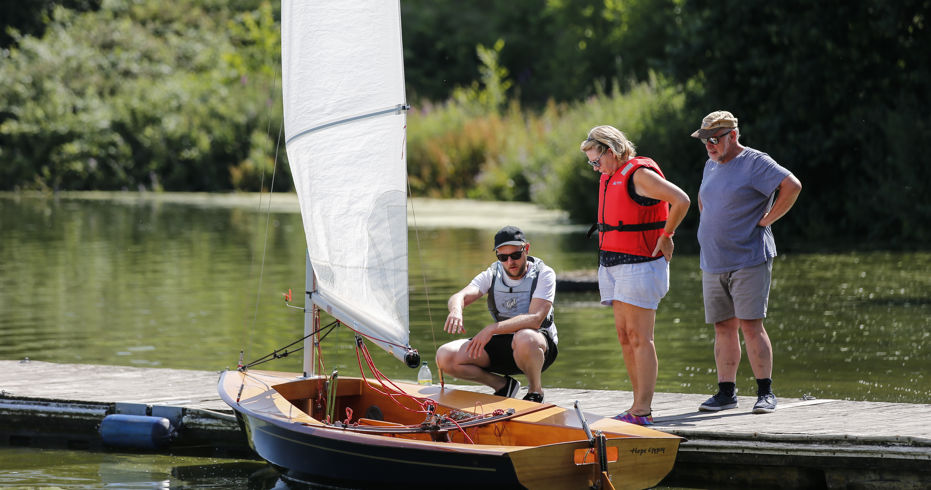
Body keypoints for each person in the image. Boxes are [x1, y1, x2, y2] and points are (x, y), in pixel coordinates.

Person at [692, 110, 802, 414]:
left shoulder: (755, 161)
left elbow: (792, 186)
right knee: (723, 328)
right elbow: (704, 200)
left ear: (733, 136)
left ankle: (765, 393)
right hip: (713, 261)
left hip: (749, 258)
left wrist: (767, 219)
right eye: (705, 141)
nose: (710, 146)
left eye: (715, 139)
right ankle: (726, 392)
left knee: (752, 326)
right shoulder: (710, 165)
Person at [580, 125, 690, 426]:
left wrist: (667, 235)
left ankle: (642, 411)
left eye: (596, 160)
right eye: (590, 162)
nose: (594, 167)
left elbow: (682, 200)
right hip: (614, 264)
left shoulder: (639, 175)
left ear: (612, 150)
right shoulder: (609, 176)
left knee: (641, 338)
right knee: (625, 338)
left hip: (641, 264)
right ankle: (636, 406)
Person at [435, 225, 558, 403]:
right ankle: (502, 385)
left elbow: (536, 319)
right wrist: (456, 309)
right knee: (445, 356)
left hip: (537, 345)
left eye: (515, 255)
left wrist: (492, 329)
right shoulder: (492, 274)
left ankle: (535, 391)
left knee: (525, 337)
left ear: (527, 249)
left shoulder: (544, 274)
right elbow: (460, 296)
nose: (510, 262)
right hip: (502, 341)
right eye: (503, 257)